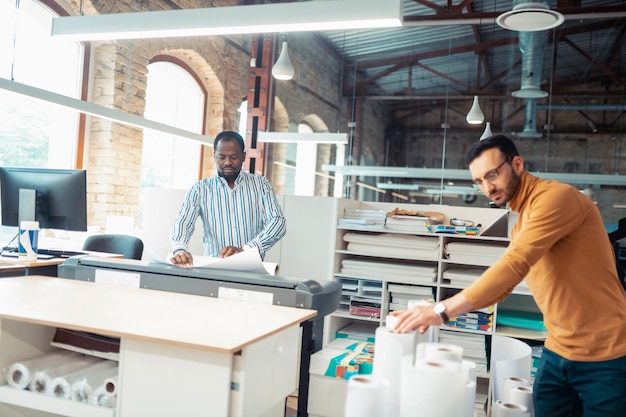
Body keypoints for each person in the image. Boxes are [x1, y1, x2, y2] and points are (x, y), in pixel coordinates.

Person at [391, 135, 626, 417]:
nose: (487, 187)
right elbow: (505, 285)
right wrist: (448, 305)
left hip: (606, 357)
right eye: (479, 181)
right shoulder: (521, 219)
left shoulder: (557, 198)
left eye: (492, 174)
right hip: (557, 351)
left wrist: (442, 310)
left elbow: (516, 263)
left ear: (517, 164)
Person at [169, 130, 286, 266]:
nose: (227, 162)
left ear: (243, 156)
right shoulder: (200, 189)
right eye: (222, 157)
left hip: (251, 267)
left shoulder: (261, 186)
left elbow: (277, 222)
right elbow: (183, 222)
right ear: (214, 156)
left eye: (234, 157)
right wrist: (179, 249)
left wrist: (246, 249)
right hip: (213, 269)